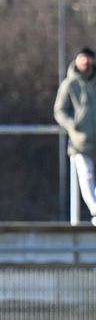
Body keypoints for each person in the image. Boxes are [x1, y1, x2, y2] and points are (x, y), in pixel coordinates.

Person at [54, 47, 96, 226]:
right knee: (86, 175)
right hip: (80, 141)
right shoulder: (69, 84)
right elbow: (59, 111)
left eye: (87, 58)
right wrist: (73, 126)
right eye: (81, 58)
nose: (84, 62)